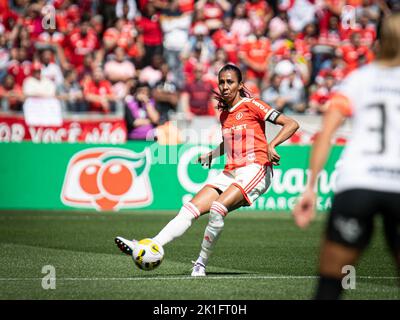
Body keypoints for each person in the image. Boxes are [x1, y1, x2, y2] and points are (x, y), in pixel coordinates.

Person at [115, 64, 299, 276]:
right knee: (189, 209)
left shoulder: (252, 104)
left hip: (255, 169)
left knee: (217, 209)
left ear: (240, 85)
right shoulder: (225, 114)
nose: (225, 86)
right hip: (231, 171)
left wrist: (271, 145)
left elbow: (291, 123)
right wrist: (211, 155)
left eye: (230, 82)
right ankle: (148, 245)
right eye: (221, 82)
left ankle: (200, 264)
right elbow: (230, 143)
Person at [292, 13, 400, 300]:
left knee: (330, 284)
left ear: (378, 41)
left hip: (358, 183)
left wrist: (310, 187)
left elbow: (325, 134)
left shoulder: (359, 79)